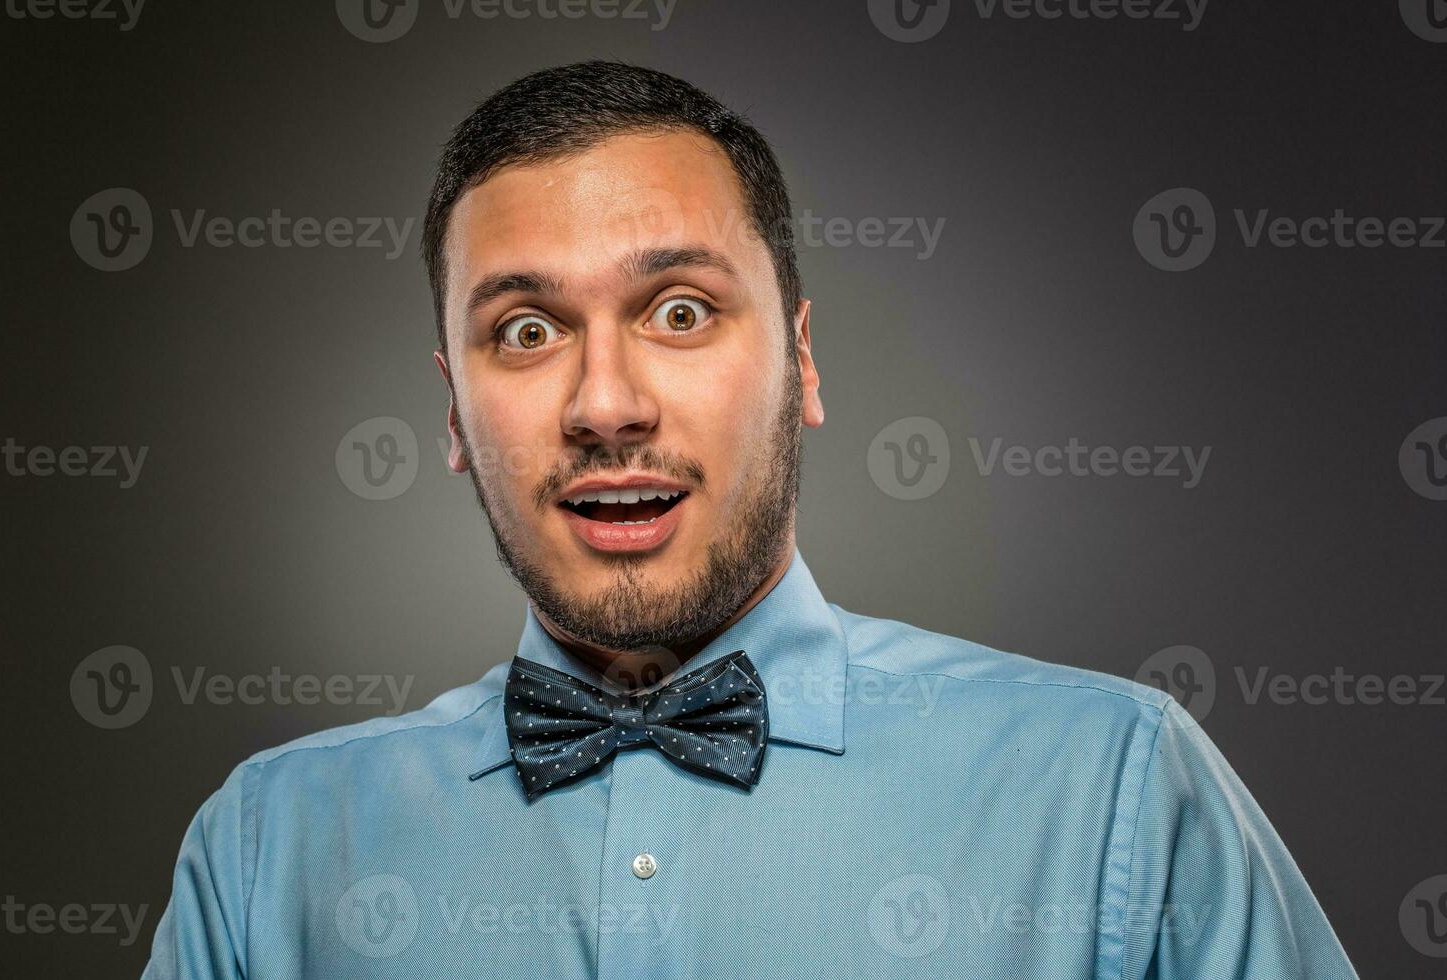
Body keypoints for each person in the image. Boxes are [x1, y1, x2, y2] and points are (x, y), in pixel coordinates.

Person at [143, 60, 1360, 979]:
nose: (605, 405)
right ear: (454, 408)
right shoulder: (266, 851)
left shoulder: (1113, 787)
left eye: (679, 311)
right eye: (526, 329)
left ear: (803, 361)